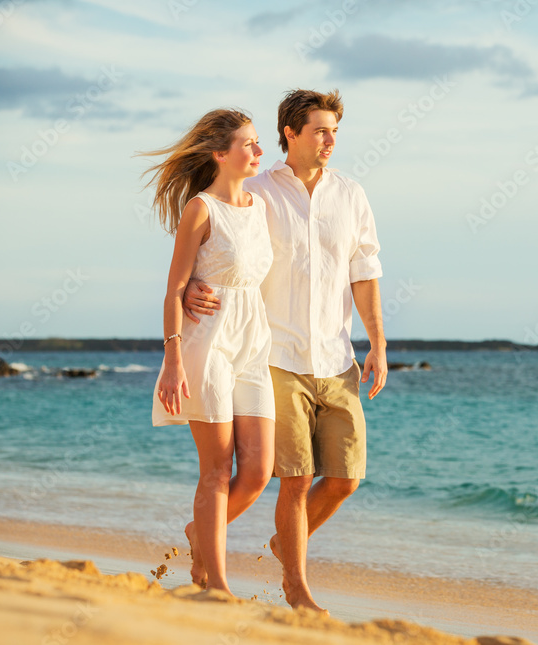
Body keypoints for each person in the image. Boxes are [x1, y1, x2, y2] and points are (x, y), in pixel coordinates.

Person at [182, 89, 386, 613]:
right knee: (292, 479)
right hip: (275, 356)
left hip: (336, 357)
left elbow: (364, 272)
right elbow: (214, 233)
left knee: (344, 477)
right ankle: (296, 589)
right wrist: (188, 287)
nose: (330, 141)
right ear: (290, 133)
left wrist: (378, 343)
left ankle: (270, 542)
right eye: (320, 130)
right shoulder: (261, 191)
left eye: (335, 131)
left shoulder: (351, 194)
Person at [143, 108, 275, 596]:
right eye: (249, 143)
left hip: (254, 343)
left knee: (259, 471)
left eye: (260, 142)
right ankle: (215, 584)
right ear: (221, 154)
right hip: (208, 342)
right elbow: (175, 287)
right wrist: (172, 361)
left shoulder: (260, 207)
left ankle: (199, 535)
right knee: (217, 471)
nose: (259, 151)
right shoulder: (200, 209)